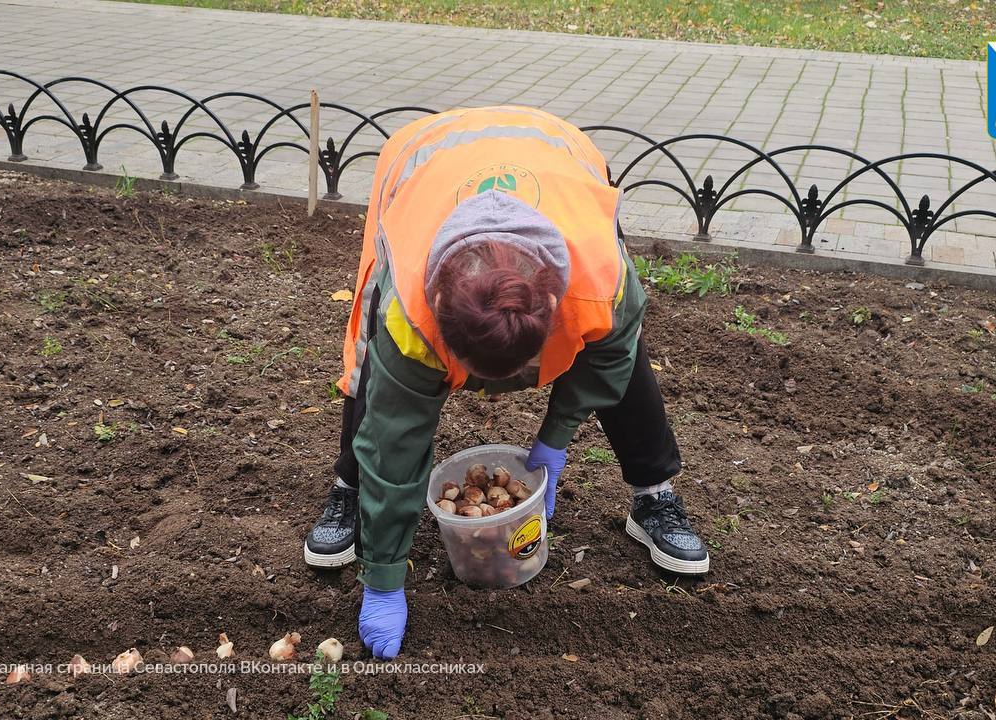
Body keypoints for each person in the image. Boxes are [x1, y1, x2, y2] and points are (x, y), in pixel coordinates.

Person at [302, 106, 709, 659]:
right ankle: (350, 490)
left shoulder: (598, 277)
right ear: (439, 303)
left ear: (550, 303)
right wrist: (383, 581)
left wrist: (556, 438)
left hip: (557, 152)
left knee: (621, 351)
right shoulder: (413, 307)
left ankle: (653, 496)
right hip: (422, 164)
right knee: (375, 367)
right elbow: (396, 438)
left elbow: (608, 355)